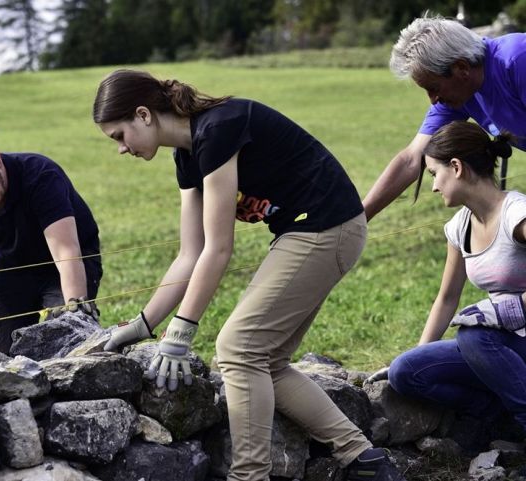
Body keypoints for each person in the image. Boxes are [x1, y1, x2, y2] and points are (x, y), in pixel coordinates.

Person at [93, 69, 404, 481]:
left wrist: (182, 333)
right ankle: (366, 460)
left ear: (144, 115)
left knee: (238, 349)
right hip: (308, 230)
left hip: (328, 227)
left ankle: (249, 476)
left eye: (119, 135)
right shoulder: (186, 156)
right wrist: (143, 325)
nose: (121, 149)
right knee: (265, 360)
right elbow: (191, 253)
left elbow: (219, 249)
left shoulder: (219, 129)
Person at [369, 121, 526, 432]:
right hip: (501, 346)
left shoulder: (516, 215)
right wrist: (419, 353)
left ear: (455, 167)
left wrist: (514, 307)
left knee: (473, 334)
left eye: (433, 174)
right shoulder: (459, 227)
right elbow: (447, 298)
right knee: (406, 371)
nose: (433, 186)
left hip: (508, 340)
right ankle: (499, 418)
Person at [0, 127, 102, 355]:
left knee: (68, 341)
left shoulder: (41, 176)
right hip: (14, 263)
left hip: (69, 261)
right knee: (2, 354)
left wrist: (76, 312)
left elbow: (66, 252)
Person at [363, 14, 526, 222]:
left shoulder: (518, 61)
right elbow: (411, 159)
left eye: (433, 88)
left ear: (461, 68)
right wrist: (360, 217)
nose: (433, 100)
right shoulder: (461, 92)